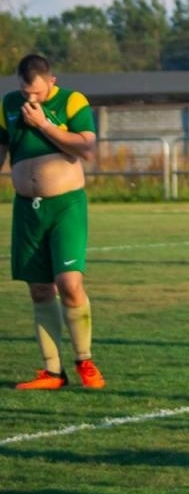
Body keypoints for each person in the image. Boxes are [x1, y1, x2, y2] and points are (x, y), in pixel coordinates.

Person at [4, 54, 103, 390]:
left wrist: (44, 124)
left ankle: (84, 360)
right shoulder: (8, 104)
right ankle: (52, 371)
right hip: (27, 209)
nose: (31, 99)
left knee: (69, 283)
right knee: (39, 289)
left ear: (52, 81)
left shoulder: (72, 101)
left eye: (38, 93)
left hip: (66, 206)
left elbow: (87, 149)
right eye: (25, 92)